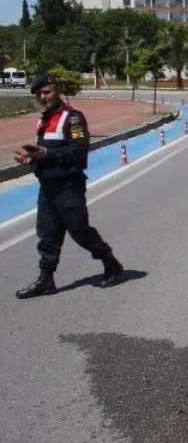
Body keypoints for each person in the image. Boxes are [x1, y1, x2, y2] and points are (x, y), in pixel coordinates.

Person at [13, 74, 124, 299]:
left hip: (68, 187)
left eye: (46, 92)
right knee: (47, 235)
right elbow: (46, 154)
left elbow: (79, 152)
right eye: (38, 94)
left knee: (79, 231)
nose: (42, 97)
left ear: (57, 90)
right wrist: (32, 158)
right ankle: (46, 280)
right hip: (47, 187)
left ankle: (111, 263)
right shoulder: (43, 119)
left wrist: (47, 153)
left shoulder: (72, 118)